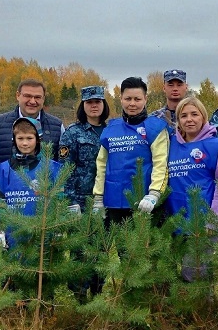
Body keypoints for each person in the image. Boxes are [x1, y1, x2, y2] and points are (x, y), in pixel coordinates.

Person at [166, 97, 218, 281]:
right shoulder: (171, 145)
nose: (189, 119)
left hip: (203, 222)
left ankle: (203, 308)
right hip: (175, 219)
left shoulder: (216, 146)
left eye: (194, 114)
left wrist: (214, 219)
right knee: (177, 272)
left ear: (203, 117)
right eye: (183, 115)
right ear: (177, 120)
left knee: (194, 271)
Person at [93, 76, 169, 225]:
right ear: (121, 99)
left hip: (145, 203)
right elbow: (101, 164)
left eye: (137, 99)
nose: (132, 104)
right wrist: (98, 198)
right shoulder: (111, 128)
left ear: (145, 99)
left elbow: (161, 163)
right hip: (113, 202)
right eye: (128, 99)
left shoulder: (156, 128)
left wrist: (154, 194)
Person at [0, 117, 63, 249]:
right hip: (13, 235)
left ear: (38, 140)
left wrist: (58, 228)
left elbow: (59, 200)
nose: (25, 143)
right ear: (14, 139)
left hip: (43, 234)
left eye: (29, 138)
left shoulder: (50, 168)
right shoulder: (4, 169)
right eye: (20, 138)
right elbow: (0, 204)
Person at [0, 79, 65, 165]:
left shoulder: (57, 127)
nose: (32, 101)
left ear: (43, 99)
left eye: (37, 97)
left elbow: (63, 164)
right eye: (27, 96)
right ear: (18, 95)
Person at [59, 85, 110, 213]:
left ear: (103, 104)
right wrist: (70, 202)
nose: (94, 105)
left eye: (98, 102)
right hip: (81, 200)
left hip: (109, 196)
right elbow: (65, 170)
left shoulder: (111, 130)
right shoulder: (72, 133)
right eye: (89, 102)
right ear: (83, 105)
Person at [150, 69, 189, 133]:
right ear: (164, 88)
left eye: (179, 85)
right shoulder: (154, 118)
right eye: (170, 85)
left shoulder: (194, 117)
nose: (175, 89)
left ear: (186, 87)